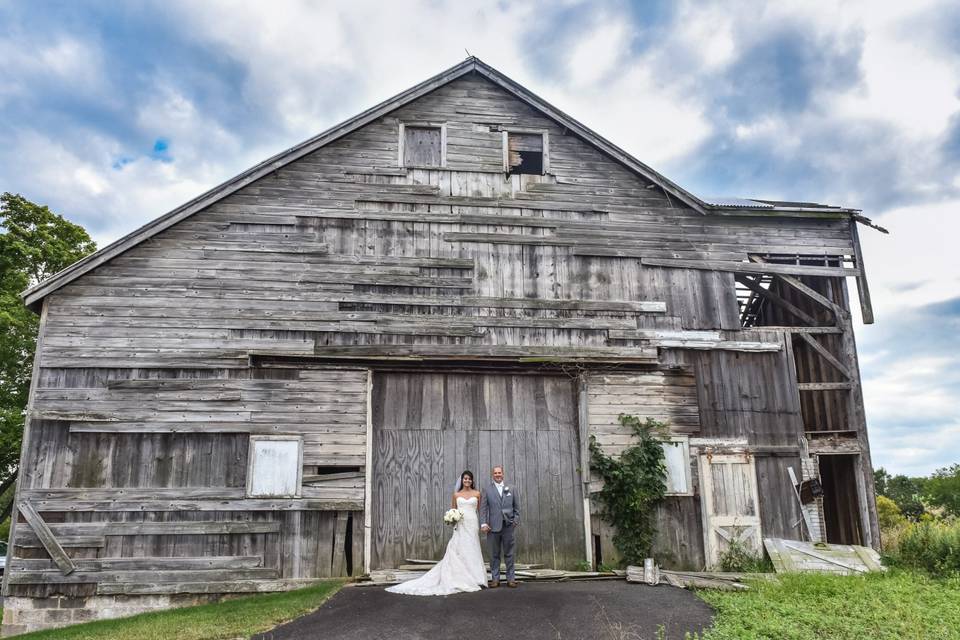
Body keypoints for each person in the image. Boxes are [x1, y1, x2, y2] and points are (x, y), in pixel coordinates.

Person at [385, 470, 487, 596]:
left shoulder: (477, 494)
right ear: (462, 480)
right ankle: (463, 578)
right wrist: (452, 517)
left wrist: (483, 523)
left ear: (472, 480)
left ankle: (477, 578)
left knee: (473, 547)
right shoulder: (456, 495)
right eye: (465, 479)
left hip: (472, 523)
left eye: (469, 479)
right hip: (461, 525)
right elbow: (453, 510)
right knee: (460, 548)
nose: (467, 481)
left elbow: (480, 511)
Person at [479, 465, 520, 588]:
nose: (497, 474)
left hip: (508, 526)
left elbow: (516, 507)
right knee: (494, 555)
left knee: (509, 553)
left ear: (503, 474)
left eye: (499, 472)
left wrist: (515, 520)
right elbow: (483, 508)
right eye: (495, 473)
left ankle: (511, 579)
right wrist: (484, 523)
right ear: (493, 475)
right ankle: (495, 579)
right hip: (492, 527)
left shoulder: (511, 488)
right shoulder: (487, 489)